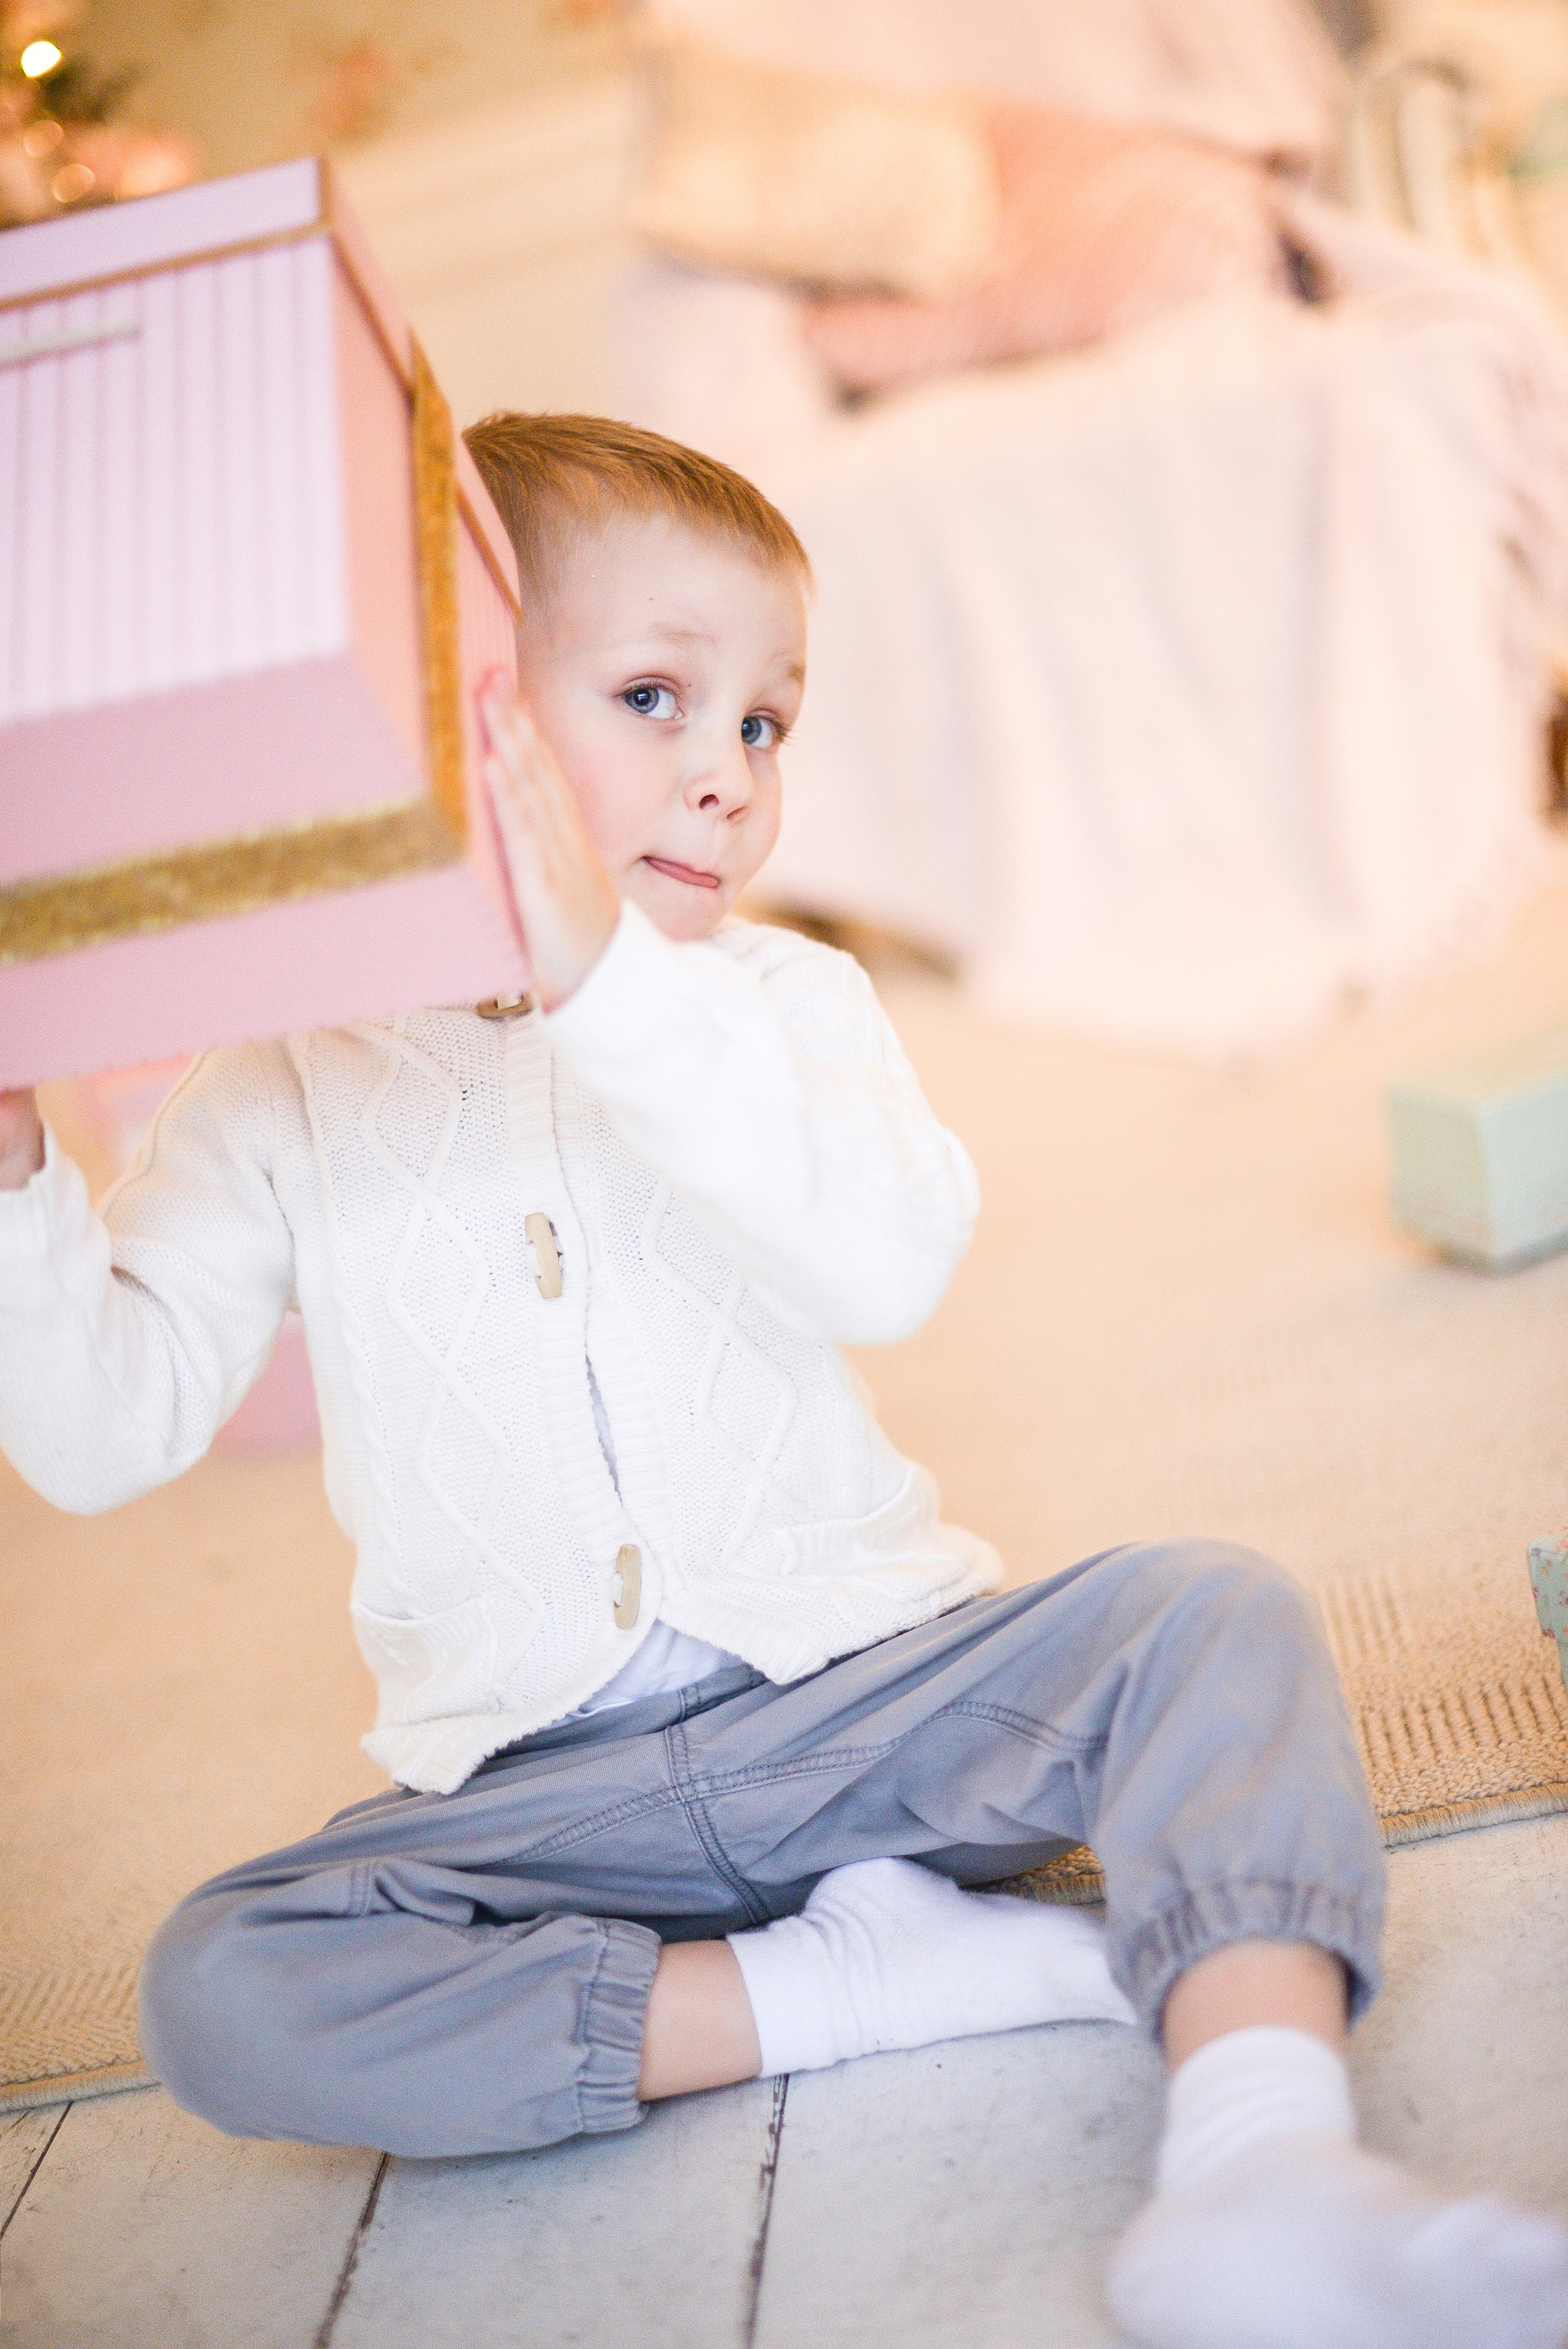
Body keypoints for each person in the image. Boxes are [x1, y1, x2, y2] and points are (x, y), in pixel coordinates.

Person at [0, 414, 1562, 2349]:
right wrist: (17, 1167)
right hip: (538, 1804)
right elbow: (104, 1430)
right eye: (657, 697)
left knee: (1210, 1614)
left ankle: (1264, 2157)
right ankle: (848, 1982)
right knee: (219, 1985)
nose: (729, 772)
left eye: (765, 721)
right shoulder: (284, 1076)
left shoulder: (781, 1001)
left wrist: (603, 980)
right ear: (453, 712)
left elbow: (883, 1261)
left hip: (864, 1709)